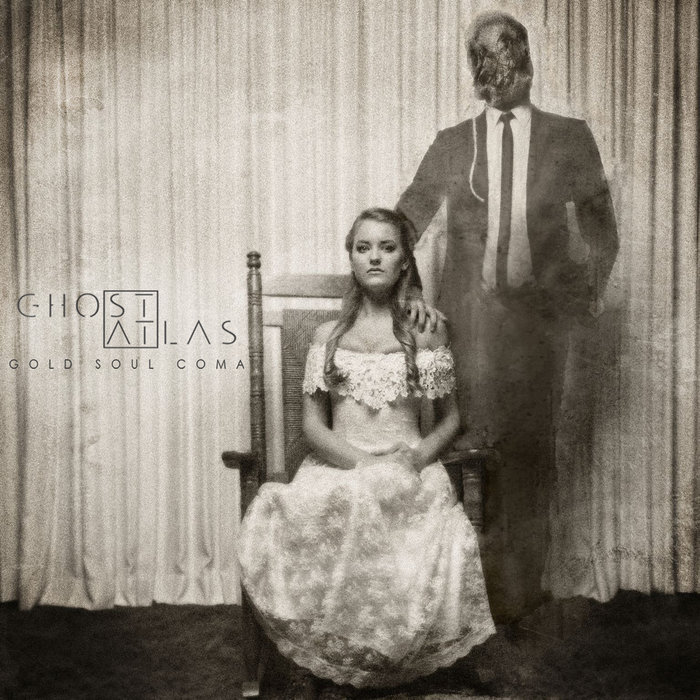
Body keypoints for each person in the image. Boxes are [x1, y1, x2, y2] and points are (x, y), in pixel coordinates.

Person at [396, 11, 619, 621]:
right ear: (475, 69)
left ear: (527, 61)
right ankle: (473, 597)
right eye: (486, 60)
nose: (500, 71)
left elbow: (602, 229)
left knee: (531, 451)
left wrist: (582, 299)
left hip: (538, 329)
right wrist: (413, 291)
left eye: (509, 57)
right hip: (470, 327)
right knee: (469, 447)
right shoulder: (454, 143)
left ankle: (522, 598)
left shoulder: (569, 137)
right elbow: (404, 218)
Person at [238, 208, 495, 698]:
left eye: (387, 247)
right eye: (363, 247)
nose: (374, 257)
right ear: (351, 259)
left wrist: (413, 460)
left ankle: (391, 655)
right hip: (340, 465)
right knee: (335, 501)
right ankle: (338, 652)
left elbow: (451, 420)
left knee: (402, 507)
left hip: (408, 468)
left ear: (404, 262)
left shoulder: (425, 331)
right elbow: (313, 426)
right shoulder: (328, 337)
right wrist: (364, 464)